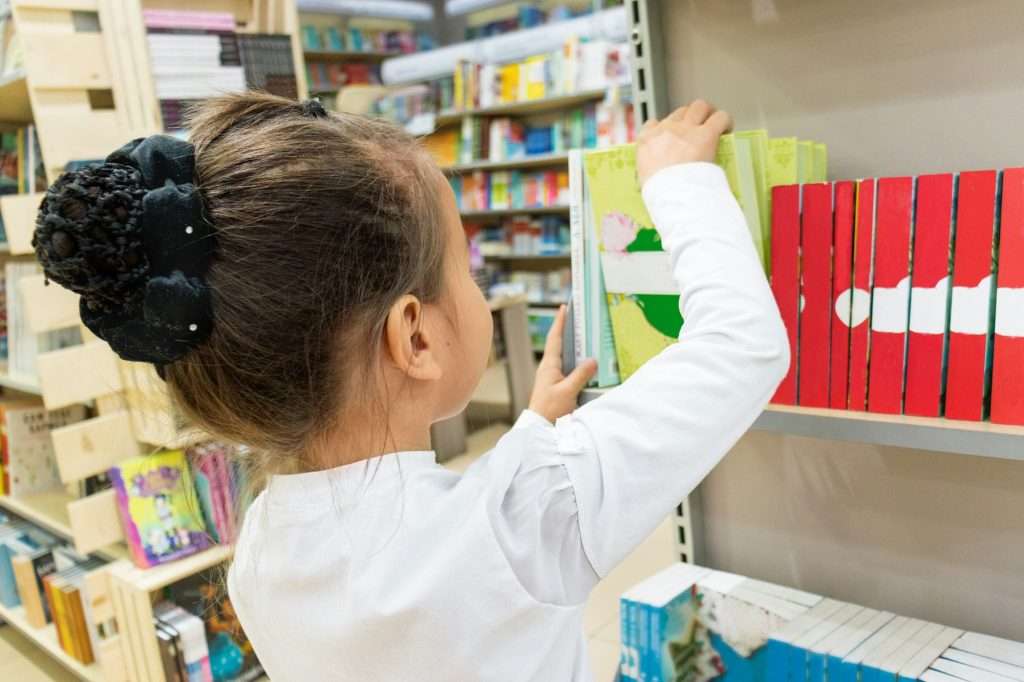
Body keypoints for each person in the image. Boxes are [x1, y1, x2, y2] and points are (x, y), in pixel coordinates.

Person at [33, 93, 787, 681]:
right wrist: (680, 180)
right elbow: (744, 347)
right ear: (415, 337)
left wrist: (531, 435)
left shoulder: (260, 545)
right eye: (467, 268)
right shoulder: (526, 514)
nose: (478, 286)